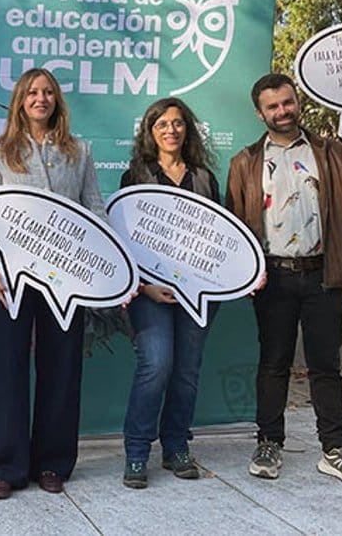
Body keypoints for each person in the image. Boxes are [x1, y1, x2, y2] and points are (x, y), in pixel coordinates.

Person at [225, 72, 342, 488]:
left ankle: (335, 451)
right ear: (259, 113)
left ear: (297, 103)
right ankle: (268, 443)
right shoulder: (244, 162)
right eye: (273, 106)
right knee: (273, 365)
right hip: (273, 280)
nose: (282, 111)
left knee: (325, 368)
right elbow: (234, 226)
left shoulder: (330, 152)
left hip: (322, 277)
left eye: (287, 102)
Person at [0, 67, 106, 500]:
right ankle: (4, 467)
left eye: (48, 91)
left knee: (63, 368)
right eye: (32, 91)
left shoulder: (80, 151)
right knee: (7, 370)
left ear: (57, 101)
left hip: (67, 280)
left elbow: (96, 213)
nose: (40, 98)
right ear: (20, 99)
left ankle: (53, 462)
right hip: (11, 279)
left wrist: (106, 271)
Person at [119, 97, 220, 490]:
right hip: (150, 293)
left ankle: (176, 445)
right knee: (156, 365)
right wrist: (144, 287)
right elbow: (124, 241)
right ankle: (136, 451)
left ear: (188, 130)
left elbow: (220, 239)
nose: (171, 130)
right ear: (150, 131)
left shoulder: (204, 177)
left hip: (197, 294)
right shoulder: (135, 176)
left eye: (178, 123)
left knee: (187, 372)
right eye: (162, 124)